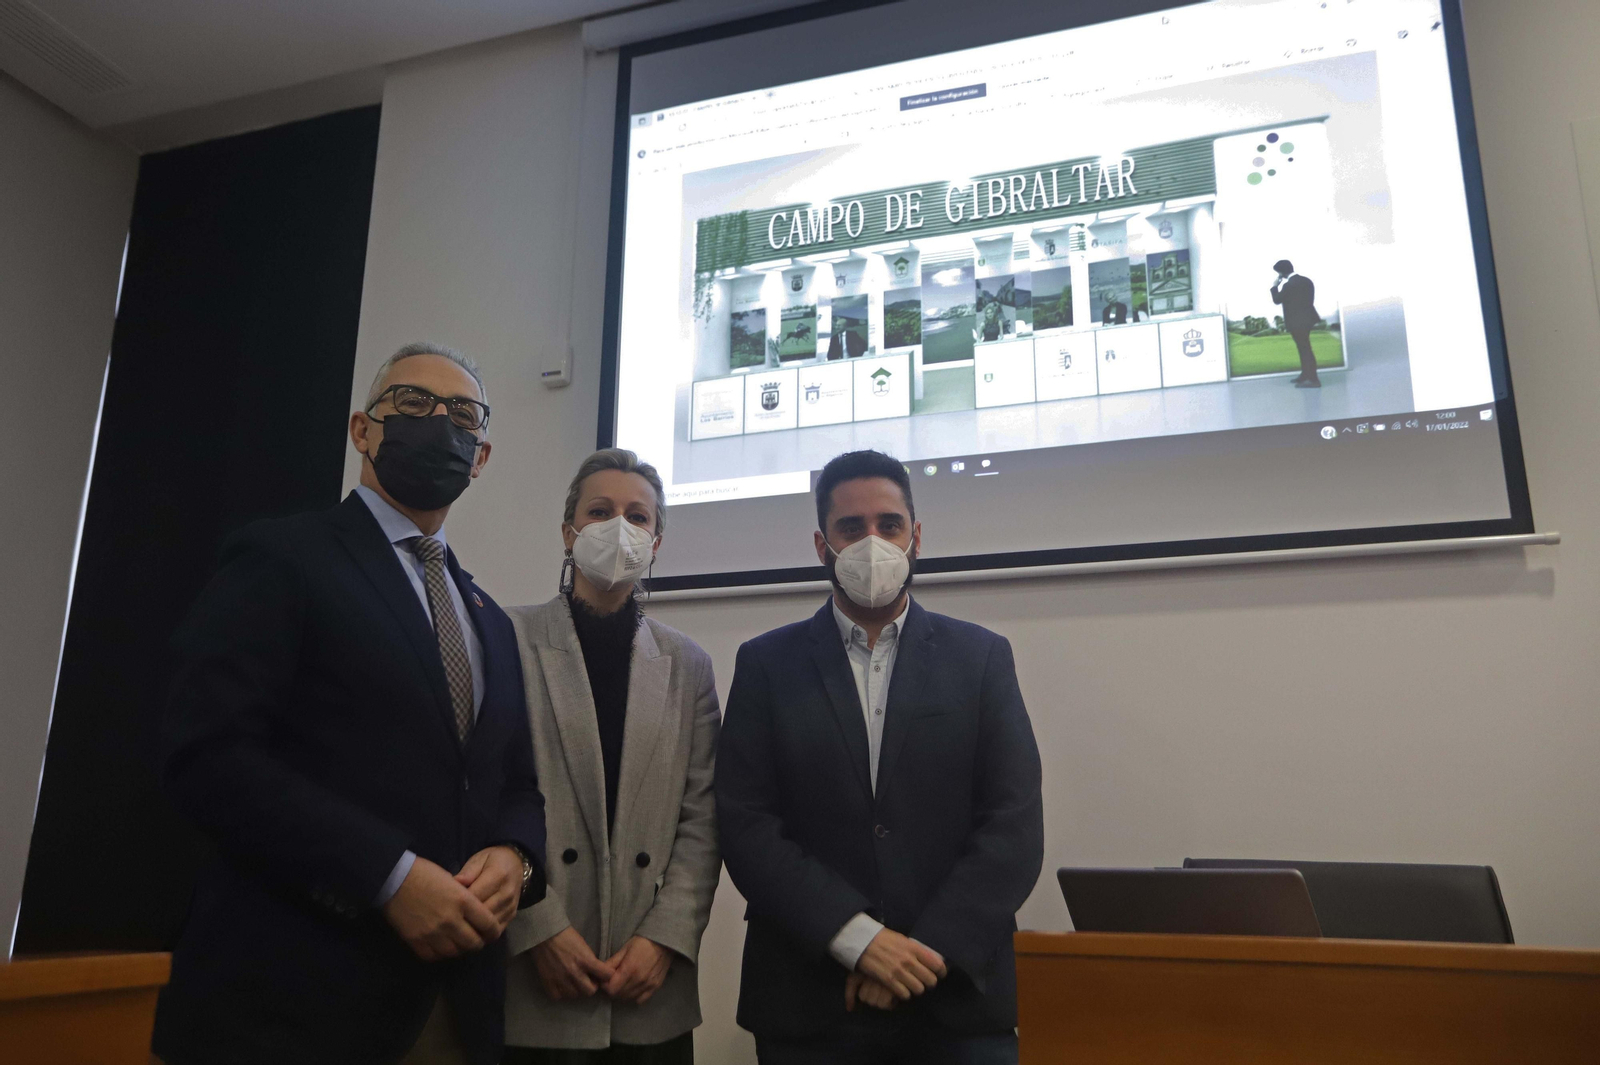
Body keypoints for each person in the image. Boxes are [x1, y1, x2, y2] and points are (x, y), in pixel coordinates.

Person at [153, 342, 546, 1065]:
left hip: (456, 1008)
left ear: (480, 457)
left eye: (462, 414)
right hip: (290, 1002)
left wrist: (516, 858)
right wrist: (386, 876)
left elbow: (517, 782)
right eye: (413, 403)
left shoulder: (489, 616)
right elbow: (207, 755)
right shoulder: (281, 558)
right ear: (363, 429)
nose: (439, 422)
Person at [716, 449, 1044, 1064]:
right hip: (810, 1000)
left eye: (889, 525)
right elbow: (746, 824)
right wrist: (859, 941)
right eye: (851, 527)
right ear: (822, 546)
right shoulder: (765, 665)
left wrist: (919, 956)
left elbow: (1013, 826)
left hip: (958, 1000)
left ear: (916, 536)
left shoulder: (981, 659)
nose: (873, 542)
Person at [503, 449, 721, 1064]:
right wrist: (537, 927)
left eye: (637, 516)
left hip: (649, 984)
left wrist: (665, 938)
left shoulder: (688, 664)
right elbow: (483, 793)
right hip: (533, 976)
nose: (619, 527)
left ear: (655, 542)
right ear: (568, 531)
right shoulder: (505, 637)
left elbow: (703, 820)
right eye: (600, 512)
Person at [1271, 259, 1322, 387]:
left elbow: (1277, 300)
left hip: (1296, 322)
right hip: (1308, 319)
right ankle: (1306, 375)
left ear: (1281, 273)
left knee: (1304, 349)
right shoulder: (1306, 281)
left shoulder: (1288, 286)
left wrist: (1274, 286)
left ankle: (1313, 380)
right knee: (1304, 348)